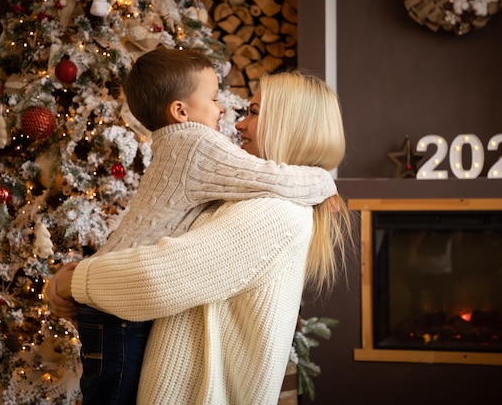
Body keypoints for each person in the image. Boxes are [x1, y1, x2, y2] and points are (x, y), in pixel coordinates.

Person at [47, 70, 352, 405]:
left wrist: (72, 282)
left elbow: (159, 278)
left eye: (253, 112)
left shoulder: (274, 213)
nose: (238, 125)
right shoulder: (257, 199)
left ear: (287, 124)